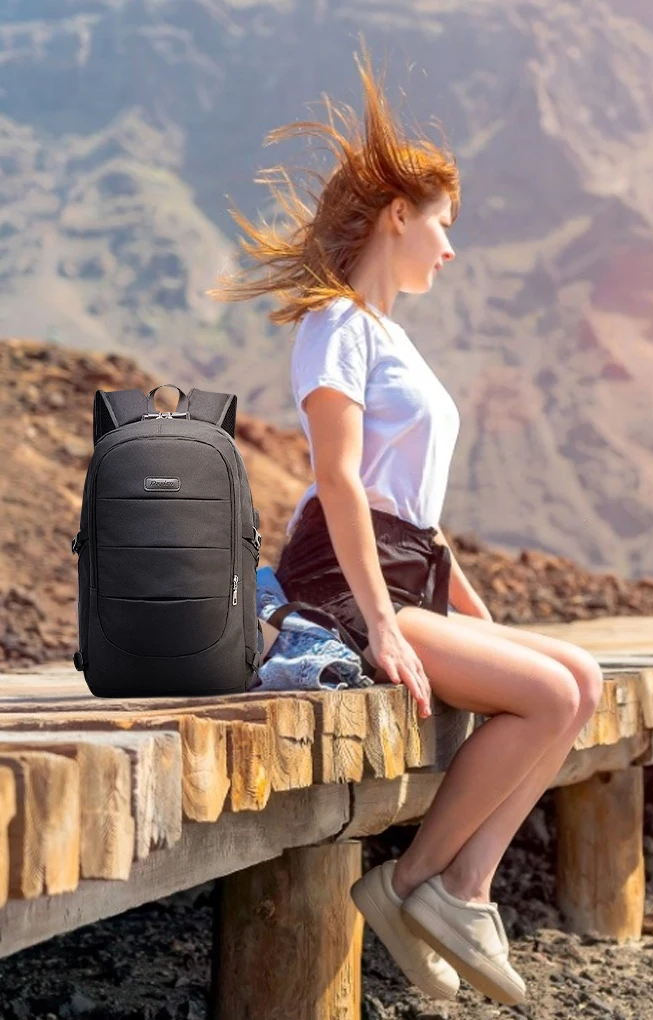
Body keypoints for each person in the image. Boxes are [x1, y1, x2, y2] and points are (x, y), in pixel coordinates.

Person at [209, 48, 603, 1007]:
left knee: (580, 680)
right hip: (344, 582)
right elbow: (341, 482)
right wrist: (382, 624)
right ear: (399, 215)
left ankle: (440, 891)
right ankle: (430, 886)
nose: (450, 247)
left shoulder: (392, 339)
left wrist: (476, 613)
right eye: (443, 225)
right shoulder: (334, 324)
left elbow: (417, 510)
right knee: (547, 701)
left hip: (406, 567)